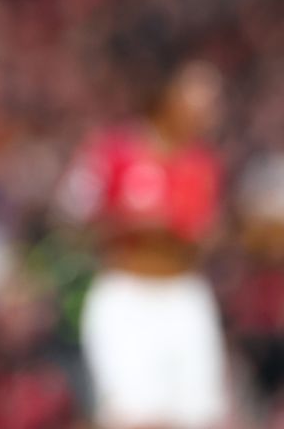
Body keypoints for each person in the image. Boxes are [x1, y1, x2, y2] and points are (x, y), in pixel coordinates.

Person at [55, 60, 226, 429]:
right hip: (127, 296)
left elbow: (206, 235)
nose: (211, 107)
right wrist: (125, 222)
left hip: (183, 294)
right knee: (133, 417)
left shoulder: (201, 163)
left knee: (200, 417)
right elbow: (70, 219)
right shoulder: (114, 152)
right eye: (200, 95)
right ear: (166, 96)